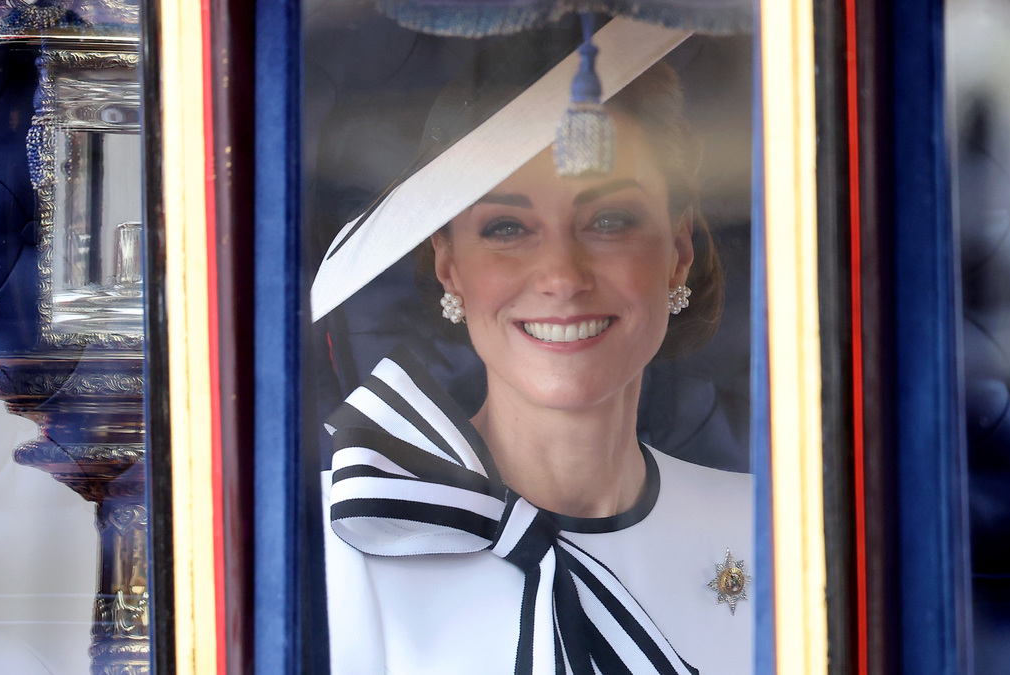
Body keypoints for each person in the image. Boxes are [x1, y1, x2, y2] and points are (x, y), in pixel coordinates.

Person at [314, 18, 753, 674]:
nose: (561, 277)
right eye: (507, 227)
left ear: (678, 253)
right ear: (449, 266)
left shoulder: (764, 532)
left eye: (609, 220)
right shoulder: (342, 541)